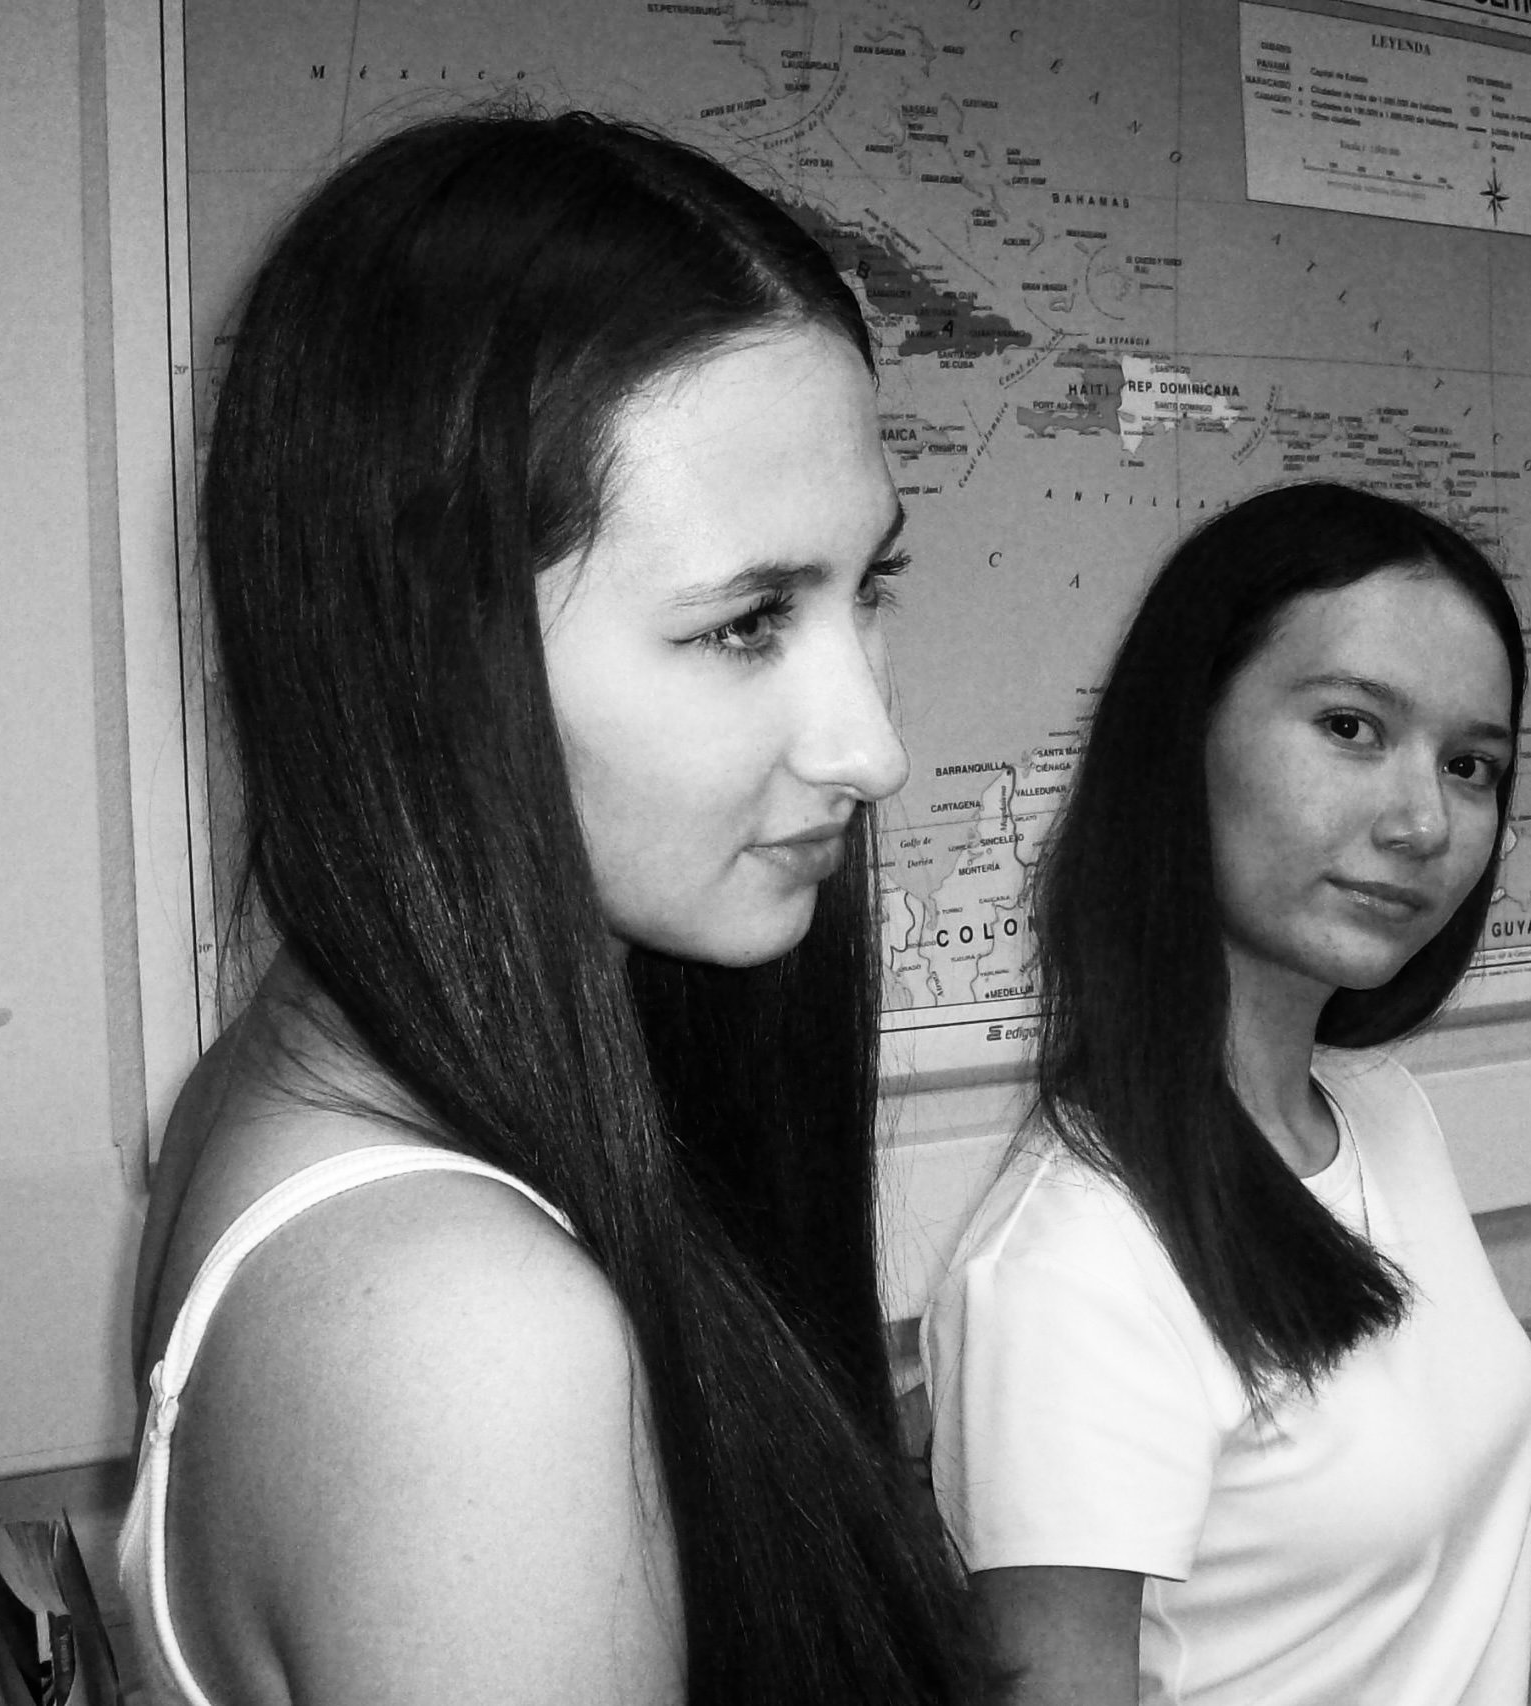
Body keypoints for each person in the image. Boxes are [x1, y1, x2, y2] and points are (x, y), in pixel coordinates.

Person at [117, 112, 986, 1706]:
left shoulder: (294, 1078)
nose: (871, 746)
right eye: (744, 623)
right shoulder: (469, 1333)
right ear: (424, 648)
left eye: (867, 588)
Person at [923, 483, 1531, 1705]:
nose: (1425, 819)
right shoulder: (1070, 1269)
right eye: (1354, 728)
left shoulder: (1384, 1112)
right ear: (1182, 735)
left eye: (1471, 764)